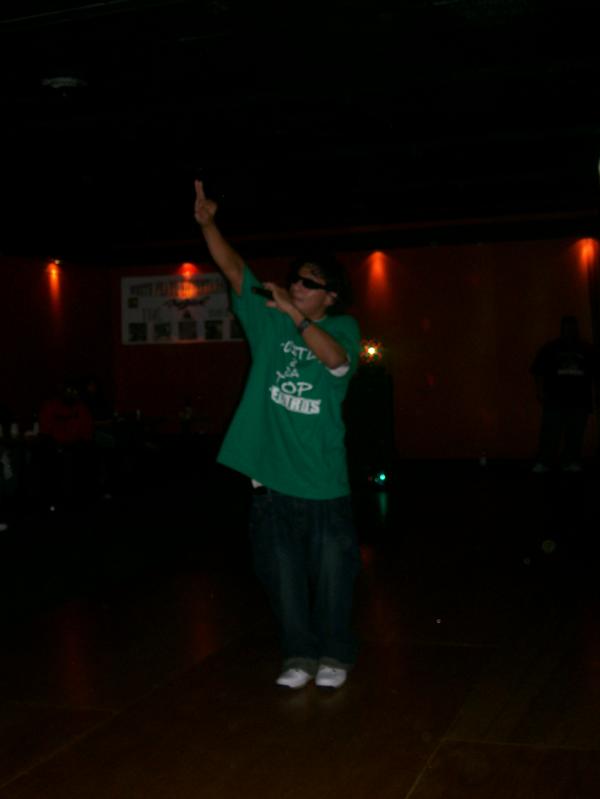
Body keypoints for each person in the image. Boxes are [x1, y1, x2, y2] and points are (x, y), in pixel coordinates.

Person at [194, 180, 361, 689]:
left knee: (333, 579)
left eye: (309, 283)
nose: (297, 286)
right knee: (282, 578)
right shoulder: (267, 320)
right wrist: (208, 225)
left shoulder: (345, 328)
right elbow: (234, 269)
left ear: (330, 296)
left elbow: (335, 361)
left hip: (323, 482)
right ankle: (299, 655)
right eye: (296, 279)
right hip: (270, 482)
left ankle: (334, 655)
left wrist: (295, 315)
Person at [531, 315, 599, 472]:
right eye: (567, 327)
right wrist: (539, 391)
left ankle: (571, 460)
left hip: (579, 399)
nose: (570, 331)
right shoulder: (550, 348)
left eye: (572, 327)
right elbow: (538, 370)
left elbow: (596, 373)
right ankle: (545, 461)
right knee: (550, 431)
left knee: (576, 432)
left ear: (577, 329)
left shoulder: (586, 349)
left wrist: (595, 394)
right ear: (562, 329)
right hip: (555, 397)